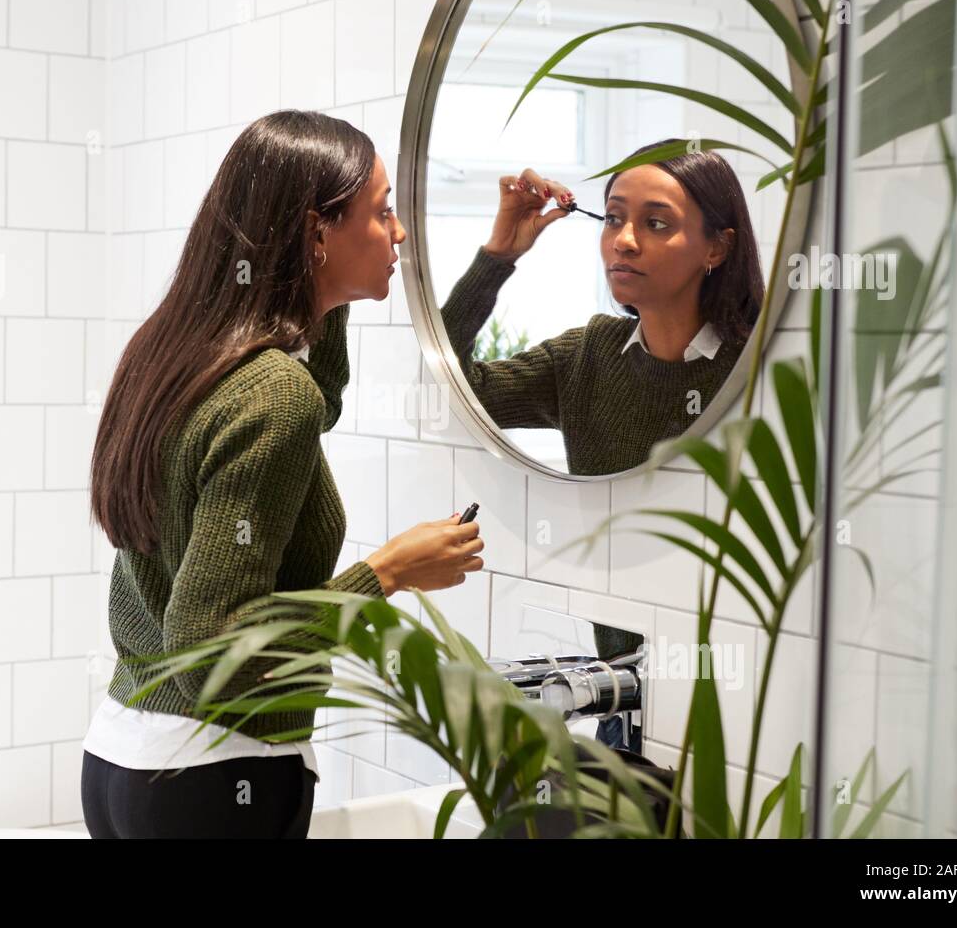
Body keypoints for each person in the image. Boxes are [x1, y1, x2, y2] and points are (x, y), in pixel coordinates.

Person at [80, 110, 486, 838]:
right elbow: (211, 651)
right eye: (383, 211)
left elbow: (312, 403)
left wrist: (323, 294)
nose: (398, 234)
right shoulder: (271, 392)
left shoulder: (176, 349)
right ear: (316, 233)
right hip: (218, 777)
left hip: (124, 760)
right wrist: (387, 573)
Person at [438, 139, 765, 749]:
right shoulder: (589, 355)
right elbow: (457, 390)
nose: (625, 239)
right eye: (613, 217)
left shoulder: (757, 368)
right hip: (627, 706)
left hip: (750, 703)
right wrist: (499, 255)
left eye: (656, 223)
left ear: (717, 247)